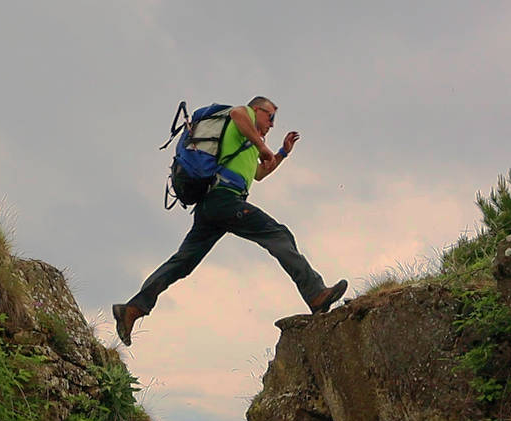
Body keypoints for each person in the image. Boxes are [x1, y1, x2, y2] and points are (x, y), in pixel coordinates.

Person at [113, 96, 347, 346]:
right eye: (271, 117)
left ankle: (132, 309)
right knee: (278, 234)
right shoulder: (241, 117)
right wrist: (262, 145)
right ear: (257, 110)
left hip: (211, 207)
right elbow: (237, 113)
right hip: (225, 200)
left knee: (182, 262)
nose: (272, 125)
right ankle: (316, 294)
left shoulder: (246, 140)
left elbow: (259, 174)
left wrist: (281, 153)